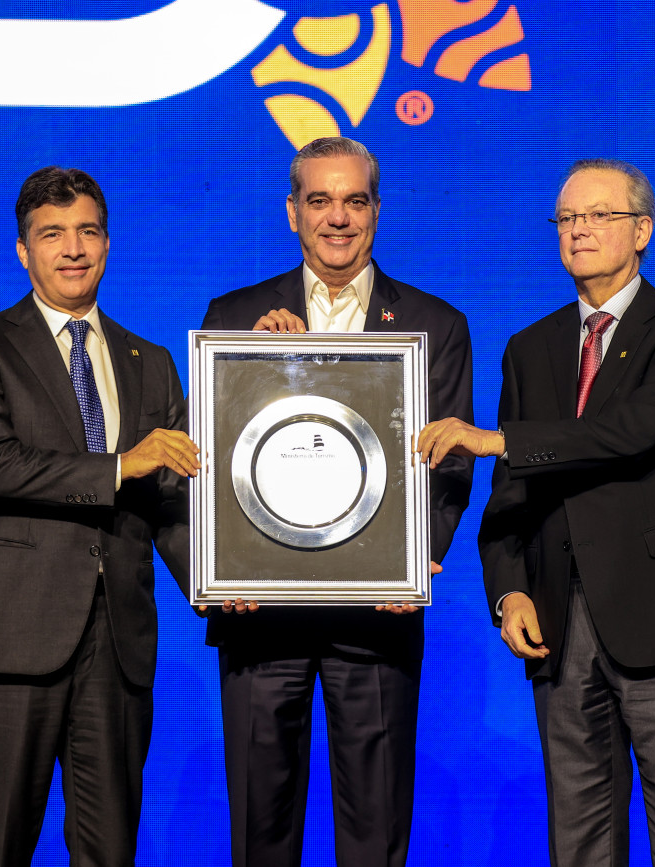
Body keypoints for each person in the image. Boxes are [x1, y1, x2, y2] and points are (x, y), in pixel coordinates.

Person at [417, 158, 655, 866]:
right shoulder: (529, 347)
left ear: (642, 231)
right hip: (560, 628)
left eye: (599, 215)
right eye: (568, 218)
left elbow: (629, 432)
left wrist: (499, 438)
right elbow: (509, 495)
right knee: (579, 840)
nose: (579, 230)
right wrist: (508, 591)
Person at [200, 136, 474, 867]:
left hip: (377, 618)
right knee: (260, 836)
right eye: (319, 200)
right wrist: (258, 366)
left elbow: (449, 466)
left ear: (377, 210)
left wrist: (415, 559)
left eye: (354, 200)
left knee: (374, 836)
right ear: (292, 212)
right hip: (260, 616)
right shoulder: (235, 317)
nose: (338, 217)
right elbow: (213, 461)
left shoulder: (434, 324)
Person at [0, 166, 200, 866]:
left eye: (87, 231)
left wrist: (220, 582)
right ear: (24, 251)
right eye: (52, 234)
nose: (73, 249)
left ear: (108, 243)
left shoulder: (151, 361)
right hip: (10, 638)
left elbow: (168, 498)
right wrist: (120, 465)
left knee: (110, 851)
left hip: (117, 645)